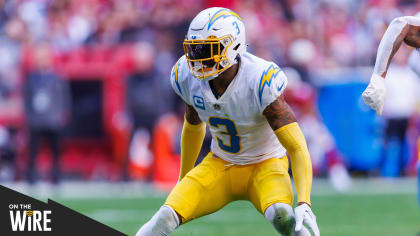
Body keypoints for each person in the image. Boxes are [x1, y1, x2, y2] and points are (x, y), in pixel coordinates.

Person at [136, 7, 319, 236]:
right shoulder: (186, 75)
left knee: (283, 216)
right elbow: (193, 126)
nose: (198, 58)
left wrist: (304, 202)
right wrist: (184, 179)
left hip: (266, 164)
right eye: (195, 49)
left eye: (207, 49)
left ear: (233, 46)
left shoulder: (259, 79)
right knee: (164, 218)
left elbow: (296, 144)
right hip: (220, 165)